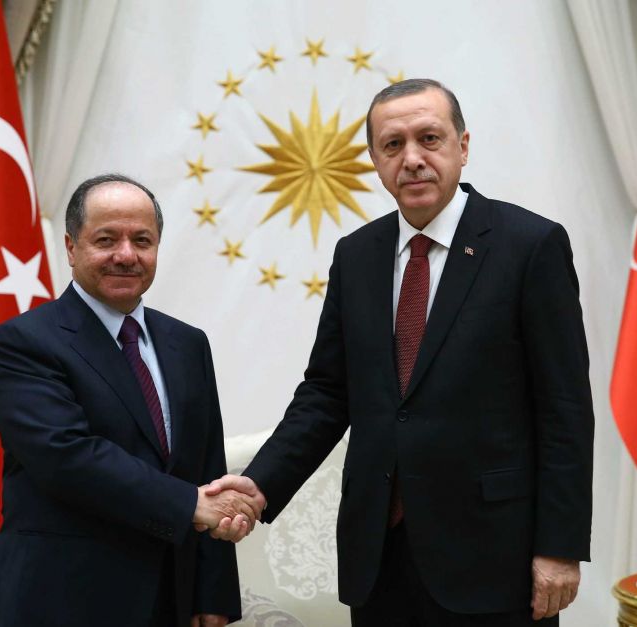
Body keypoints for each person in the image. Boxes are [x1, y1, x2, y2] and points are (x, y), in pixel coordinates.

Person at [209, 79, 594, 625]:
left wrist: (560, 546)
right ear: (374, 160)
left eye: (429, 139)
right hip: (380, 557)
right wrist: (260, 483)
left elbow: (565, 410)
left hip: (495, 559)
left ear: (462, 146)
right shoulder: (356, 256)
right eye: (393, 145)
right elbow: (326, 394)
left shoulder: (530, 246)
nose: (412, 159)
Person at [0, 174, 255, 627]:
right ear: (71, 248)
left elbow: (206, 463)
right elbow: (67, 456)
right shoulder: (22, 342)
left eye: (141, 240)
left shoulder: (187, 343)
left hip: (170, 597)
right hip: (59, 599)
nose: (126, 255)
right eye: (106, 239)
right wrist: (188, 504)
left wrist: (213, 592)